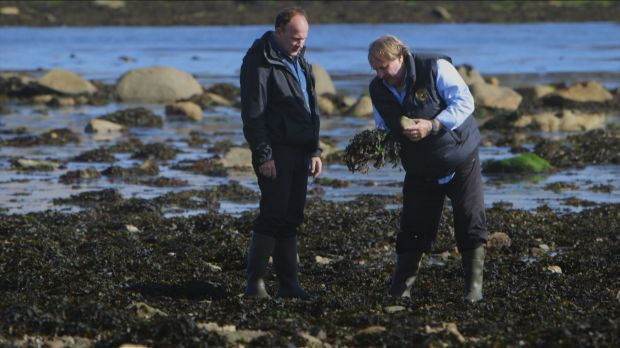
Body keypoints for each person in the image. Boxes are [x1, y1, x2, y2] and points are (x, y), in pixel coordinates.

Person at [367, 35, 487, 302]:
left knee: (469, 222)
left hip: (460, 156)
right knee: (413, 229)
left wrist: (432, 125)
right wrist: (384, 138)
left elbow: (465, 103)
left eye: (384, 67)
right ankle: (400, 292)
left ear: (401, 57)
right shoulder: (377, 88)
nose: (380, 74)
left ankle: (473, 291)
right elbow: (382, 126)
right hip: (420, 167)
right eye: (375, 69)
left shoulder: (434, 68)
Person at [240, 7, 322, 300]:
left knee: (292, 218)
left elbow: (311, 109)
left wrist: (315, 149)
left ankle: (290, 285)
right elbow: (253, 115)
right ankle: (255, 284)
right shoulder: (260, 61)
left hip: (301, 151)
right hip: (275, 151)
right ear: (279, 31)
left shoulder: (300, 61)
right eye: (295, 37)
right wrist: (264, 155)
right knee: (273, 215)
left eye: (304, 38)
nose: (300, 43)